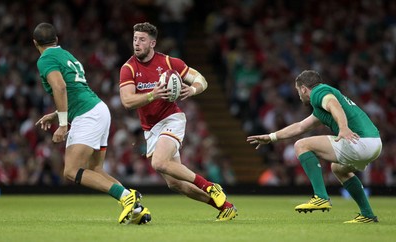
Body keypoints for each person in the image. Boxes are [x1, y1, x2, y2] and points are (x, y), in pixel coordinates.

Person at [32, 22, 150, 225]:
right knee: (95, 169)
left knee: (71, 170)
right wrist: (57, 114)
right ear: (57, 40)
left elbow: (60, 87)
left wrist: (62, 124)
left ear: (35, 43)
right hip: (98, 109)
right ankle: (136, 208)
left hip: (87, 115)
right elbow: (74, 89)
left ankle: (126, 197)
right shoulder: (66, 55)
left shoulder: (45, 59)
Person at [119, 22, 237, 221]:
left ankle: (210, 186)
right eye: (135, 39)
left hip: (172, 119)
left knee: (159, 162)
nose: (137, 43)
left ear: (152, 43)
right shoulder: (128, 68)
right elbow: (127, 101)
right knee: (176, 184)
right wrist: (152, 94)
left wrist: (192, 89)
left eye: (142, 40)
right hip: (151, 128)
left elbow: (201, 79)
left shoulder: (168, 62)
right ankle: (226, 207)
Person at [247, 70, 382, 223]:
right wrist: (271, 137)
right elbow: (300, 127)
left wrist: (343, 127)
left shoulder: (319, 91)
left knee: (302, 145)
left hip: (360, 140)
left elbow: (333, 104)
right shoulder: (320, 108)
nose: (299, 95)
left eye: (298, 91)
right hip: (374, 143)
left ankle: (321, 197)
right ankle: (367, 214)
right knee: (338, 169)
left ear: (304, 89)